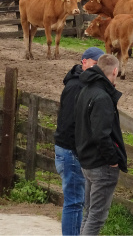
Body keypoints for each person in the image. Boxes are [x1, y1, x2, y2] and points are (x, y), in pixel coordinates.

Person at [74, 54, 127, 235]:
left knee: (89, 213)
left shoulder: (86, 89)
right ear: (115, 71)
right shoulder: (102, 97)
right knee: (96, 217)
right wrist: (113, 159)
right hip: (101, 164)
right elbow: (101, 135)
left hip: (87, 159)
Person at [54, 47, 104, 236]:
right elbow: (69, 123)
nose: (97, 68)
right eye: (95, 63)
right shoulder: (77, 86)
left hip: (69, 150)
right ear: (84, 62)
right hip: (70, 151)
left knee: (76, 201)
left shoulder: (81, 84)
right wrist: (79, 149)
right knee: (75, 202)